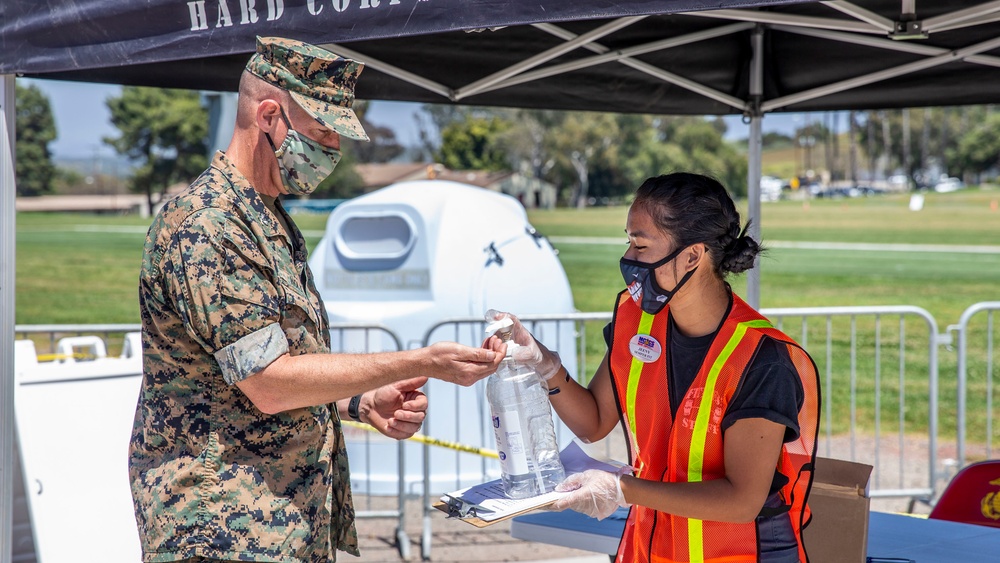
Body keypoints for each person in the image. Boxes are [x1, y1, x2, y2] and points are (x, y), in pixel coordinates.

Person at [129, 37, 502, 563]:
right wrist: (423, 360)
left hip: (279, 519)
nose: (333, 147)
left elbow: (272, 365)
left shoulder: (266, 218)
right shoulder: (208, 227)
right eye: (322, 129)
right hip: (219, 527)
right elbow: (269, 382)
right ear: (269, 115)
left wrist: (359, 402)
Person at [487, 173, 820, 563]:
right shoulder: (637, 323)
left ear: (693, 256)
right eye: (628, 242)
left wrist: (622, 489)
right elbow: (593, 422)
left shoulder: (761, 358)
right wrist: (545, 364)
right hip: (649, 547)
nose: (629, 259)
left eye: (640, 245)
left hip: (739, 553)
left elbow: (742, 499)